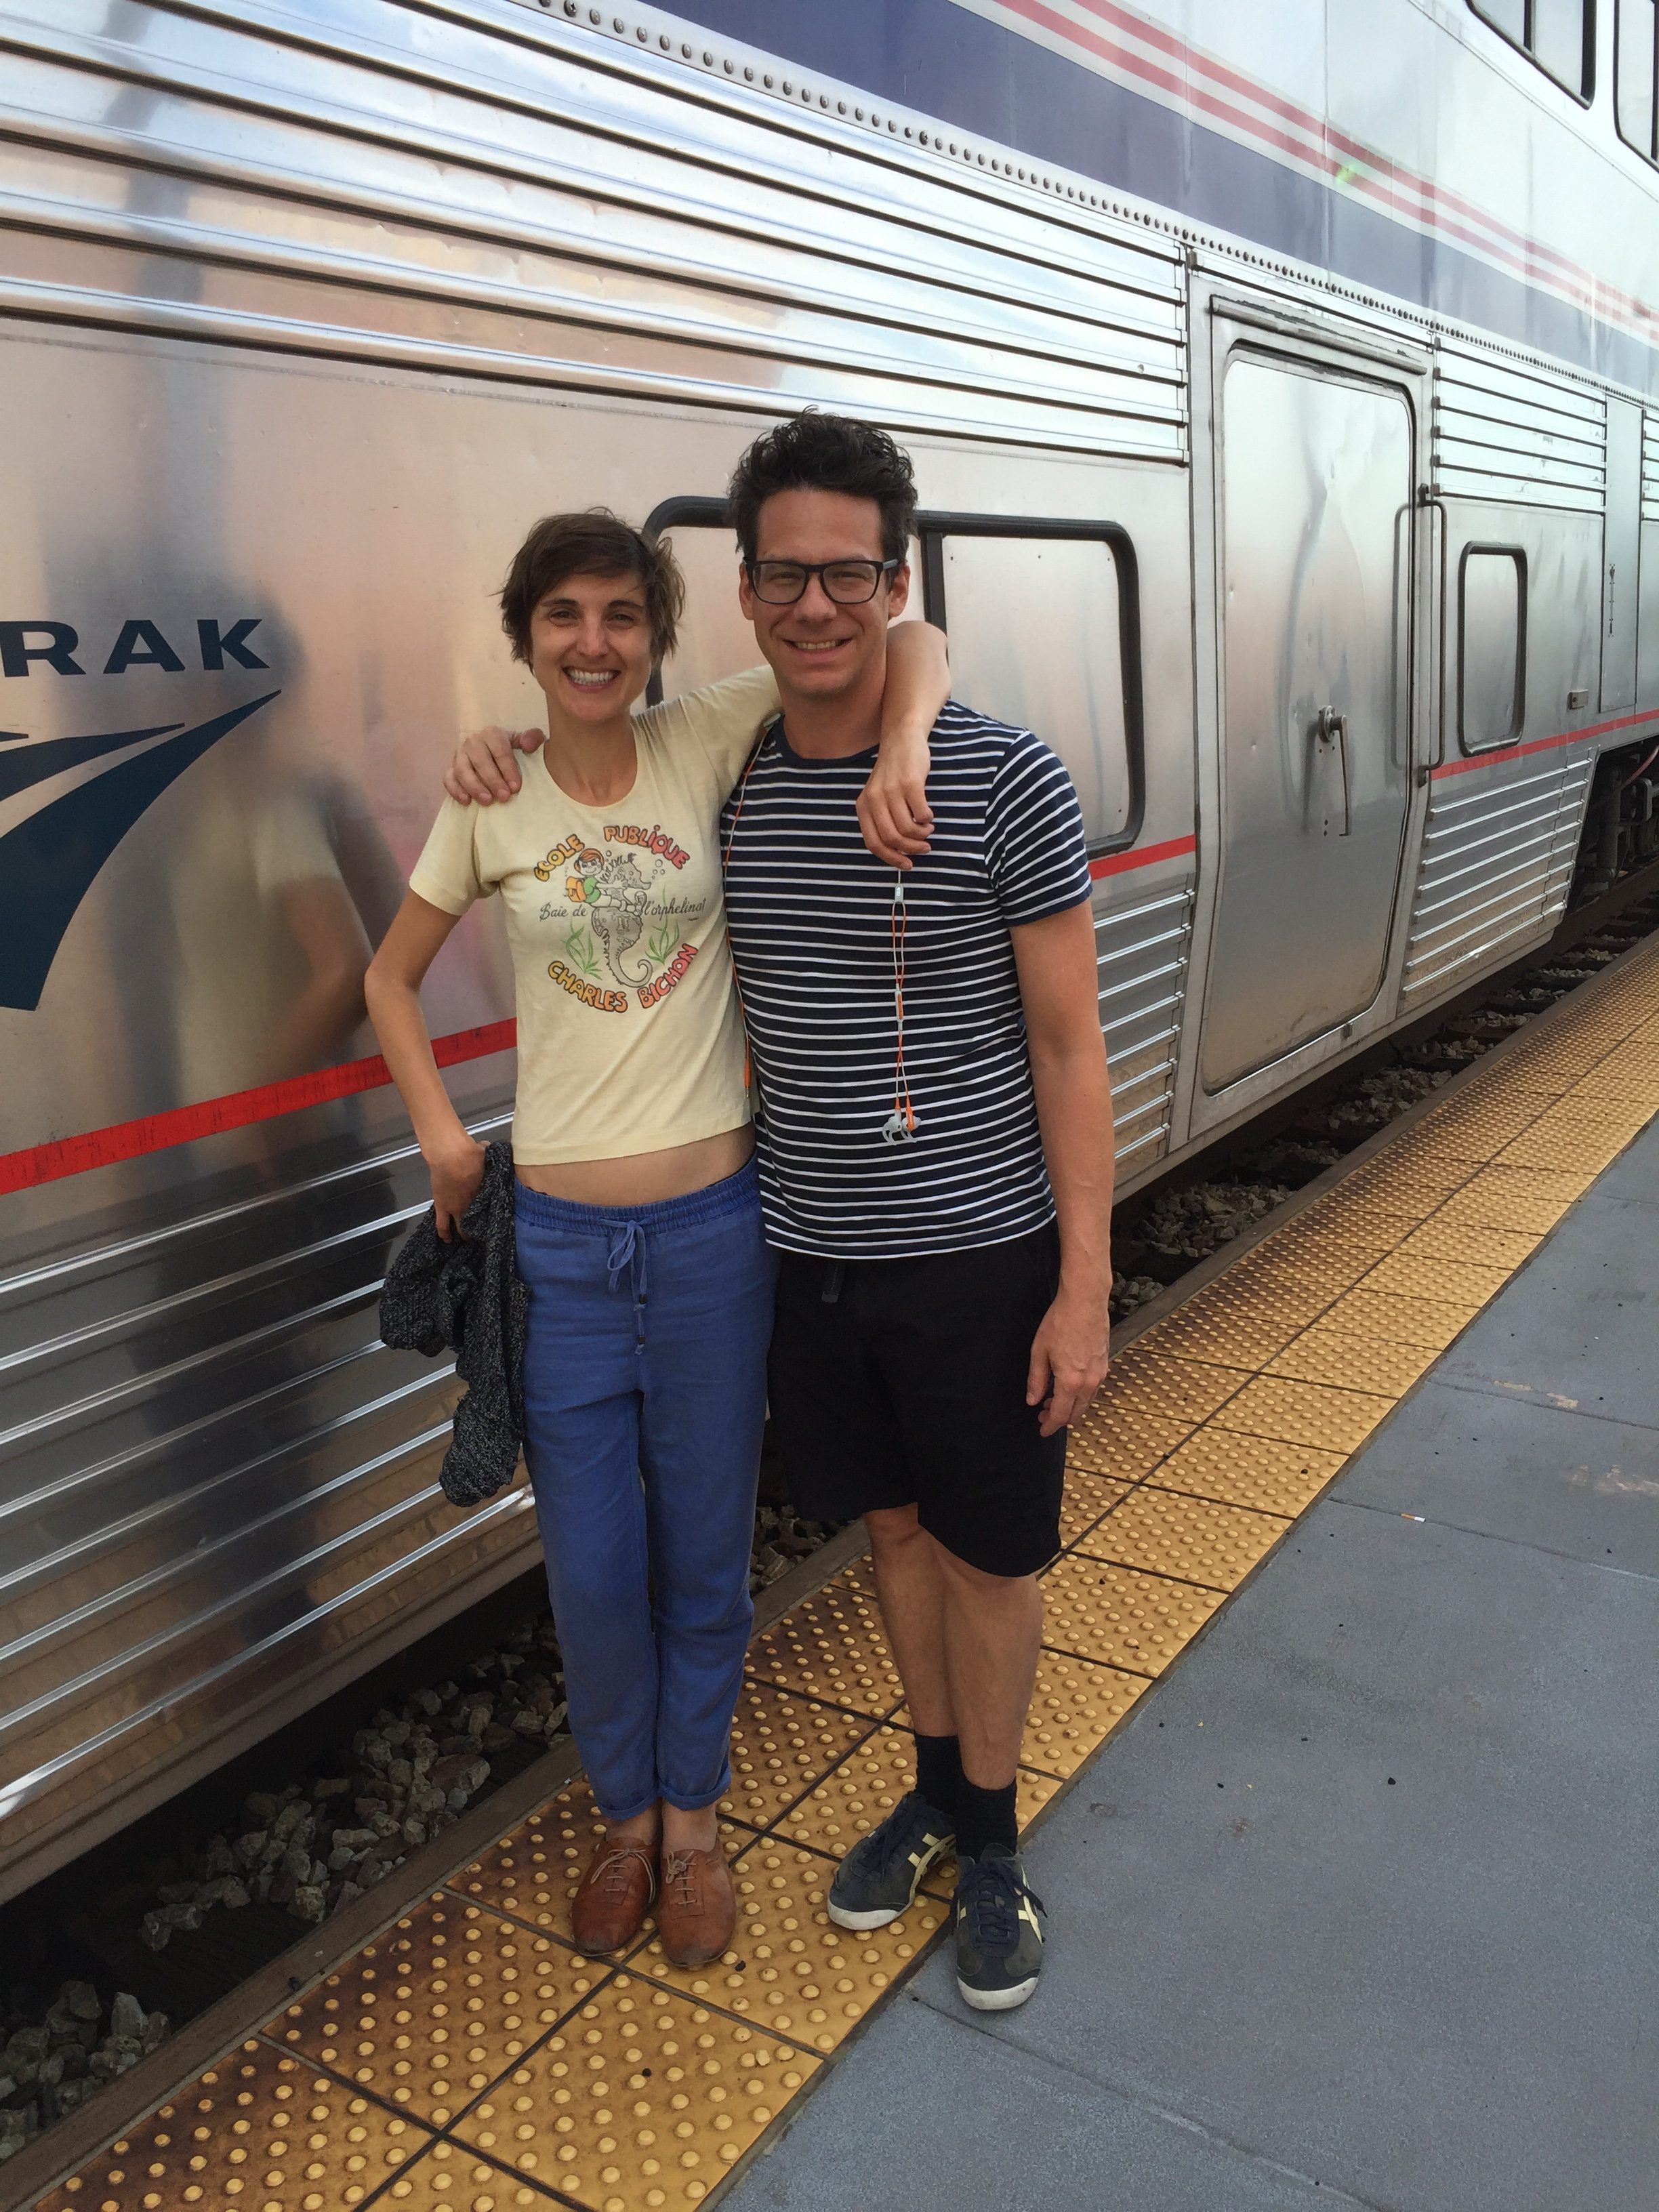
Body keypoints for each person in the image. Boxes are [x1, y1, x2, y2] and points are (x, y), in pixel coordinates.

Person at [449, 417, 1115, 2012]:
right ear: (744, 594)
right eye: (785, 576)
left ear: (897, 582)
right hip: (802, 1256)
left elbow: (1071, 1044)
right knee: (892, 1534)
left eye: (850, 575)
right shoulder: (731, 776)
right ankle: (937, 1790)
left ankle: (995, 1843)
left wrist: (1086, 1284)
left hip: (976, 1254)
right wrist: (489, 752)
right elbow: (584, 774)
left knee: (991, 1559)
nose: (817, 605)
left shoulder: (1002, 777)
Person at [365, 509, 949, 1969]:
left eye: (622, 615)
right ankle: (620, 1819)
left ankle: (693, 1827)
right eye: (564, 616)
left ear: (655, 637)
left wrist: (907, 743)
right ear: (526, 637)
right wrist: (443, 1137)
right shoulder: (490, 797)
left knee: (703, 1557)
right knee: (591, 1571)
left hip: (710, 1242)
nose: (594, 642)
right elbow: (389, 980)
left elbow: (911, 637)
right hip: (561, 1255)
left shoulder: (702, 739)